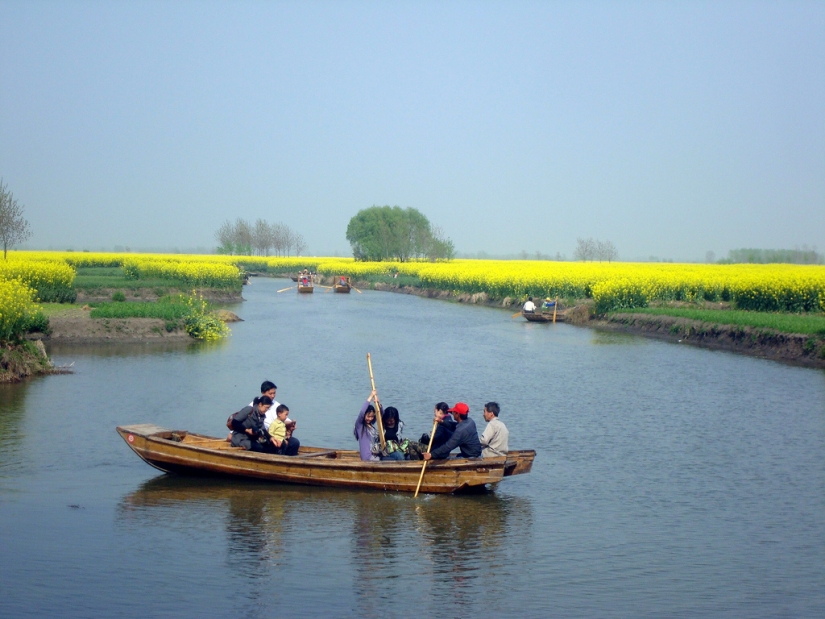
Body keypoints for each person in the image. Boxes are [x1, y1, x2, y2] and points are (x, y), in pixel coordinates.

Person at [354, 390, 381, 461]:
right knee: (386, 460)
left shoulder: (371, 425)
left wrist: (378, 404)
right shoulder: (360, 426)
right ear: (364, 416)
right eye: (368, 416)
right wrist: (371, 396)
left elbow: (380, 415)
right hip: (367, 457)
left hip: (375, 455)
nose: (370, 419)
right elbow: (362, 412)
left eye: (372, 417)